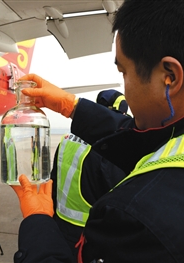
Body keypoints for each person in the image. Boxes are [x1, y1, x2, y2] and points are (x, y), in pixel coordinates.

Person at [12, 1, 184, 262]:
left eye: (124, 71)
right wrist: (72, 106)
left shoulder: (136, 218)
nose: (125, 87)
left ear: (171, 77)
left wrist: (37, 222)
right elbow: (159, 141)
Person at [51, 89, 130, 257]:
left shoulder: (67, 138)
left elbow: (54, 178)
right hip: (88, 233)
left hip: (59, 223)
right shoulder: (108, 148)